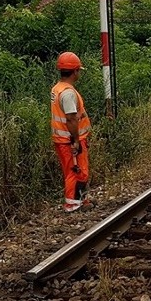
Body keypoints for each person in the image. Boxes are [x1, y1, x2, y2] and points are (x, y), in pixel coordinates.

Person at [51, 52, 93, 213]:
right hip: (70, 139)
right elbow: (71, 119)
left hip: (63, 138)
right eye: (79, 70)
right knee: (76, 171)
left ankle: (82, 200)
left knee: (75, 170)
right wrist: (75, 140)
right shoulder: (68, 93)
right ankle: (72, 204)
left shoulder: (58, 88)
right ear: (75, 71)